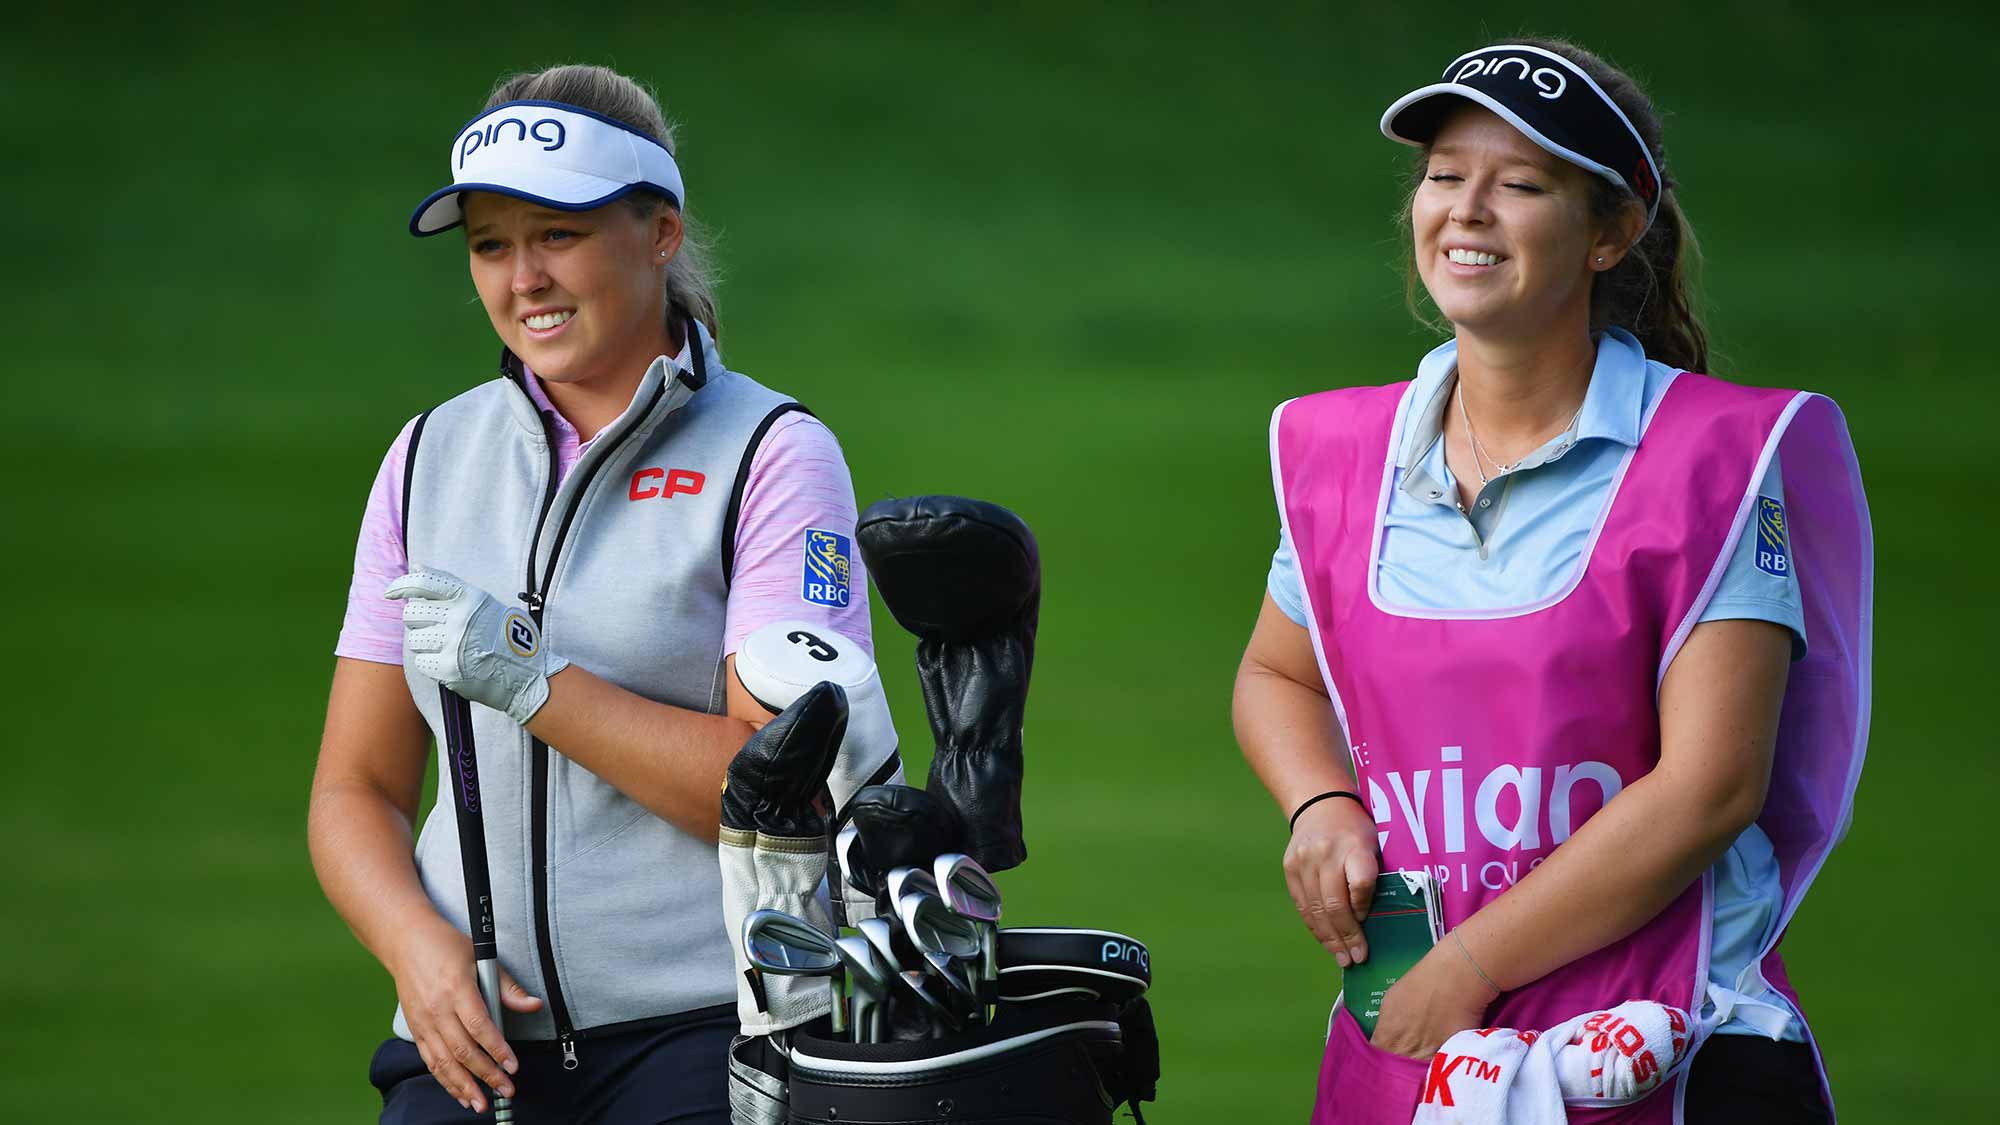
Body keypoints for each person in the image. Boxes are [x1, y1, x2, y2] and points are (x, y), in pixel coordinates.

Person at [1233, 39, 1869, 1124]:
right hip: (1413, 1050)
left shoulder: (1715, 459)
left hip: (1665, 1052)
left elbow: (1708, 787)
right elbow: (1275, 673)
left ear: (1611, 234)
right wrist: (1320, 801)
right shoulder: (1342, 452)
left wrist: (1468, 967)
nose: (1466, 209)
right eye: (1443, 176)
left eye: (1519, 185)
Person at [307, 64, 875, 1122]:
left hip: (712, 1028)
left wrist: (532, 685)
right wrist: (419, 952)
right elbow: (356, 788)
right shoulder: (429, 456)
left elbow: (776, 792)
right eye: (489, 245)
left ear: (658, 233)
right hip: (470, 1036)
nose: (522, 278)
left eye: (556, 235)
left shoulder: (770, 455)